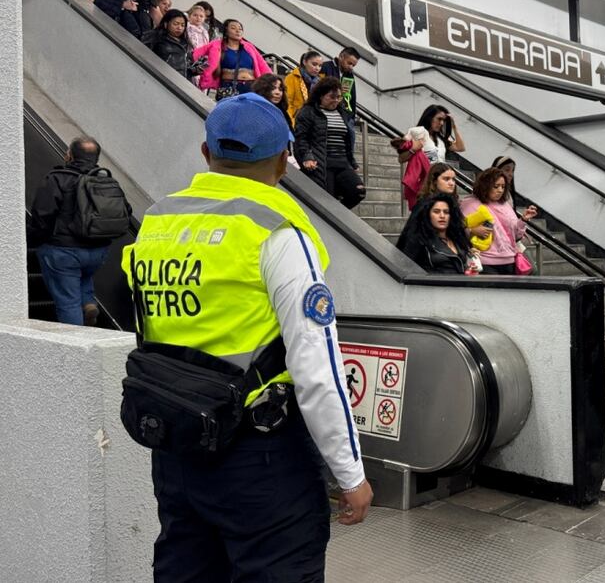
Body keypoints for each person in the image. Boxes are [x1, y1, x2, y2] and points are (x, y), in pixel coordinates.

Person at [120, 93, 373, 580]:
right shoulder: (277, 232)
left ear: (205, 153)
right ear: (285, 158)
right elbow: (317, 370)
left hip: (175, 445)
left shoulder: (157, 221)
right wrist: (351, 474)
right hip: (260, 458)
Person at [27, 137, 124, 326]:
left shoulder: (57, 178)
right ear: (96, 158)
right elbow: (124, 212)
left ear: (69, 155)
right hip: (98, 252)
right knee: (83, 274)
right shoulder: (106, 181)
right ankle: (87, 303)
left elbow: (43, 216)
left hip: (64, 252)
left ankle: (76, 340)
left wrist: (32, 241)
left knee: (67, 302)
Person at [293, 76, 365, 209]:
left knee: (358, 192)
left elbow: (347, 140)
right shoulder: (308, 112)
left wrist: (352, 162)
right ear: (321, 95)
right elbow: (301, 138)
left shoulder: (342, 113)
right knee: (326, 200)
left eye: (339, 97)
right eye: (332, 97)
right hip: (322, 163)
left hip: (343, 162)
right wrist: (307, 157)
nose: (336, 100)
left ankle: (339, 213)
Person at [459, 168, 536, 275]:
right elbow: (459, 231)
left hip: (510, 260)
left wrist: (523, 220)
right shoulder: (469, 204)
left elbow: (516, 235)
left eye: (503, 187)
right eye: (496, 186)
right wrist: (472, 231)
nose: (500, 190)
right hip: (485, 262)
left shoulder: (505, 205)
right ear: (485, 186)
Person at [192, 19, 272, 98]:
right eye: (233, 28)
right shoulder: (217, 45)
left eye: (240, 29)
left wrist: (272, 82)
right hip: (228, 87)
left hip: (250, 87)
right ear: (226, 31)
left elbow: (262, 65)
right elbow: (195, 54)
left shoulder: (249, 47)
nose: (238, 31)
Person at [396, 193, 472, 274]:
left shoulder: (458, 240)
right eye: (436, 212)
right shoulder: (420, 241)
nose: (442, 216)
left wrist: (469, 270)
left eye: (446, 212)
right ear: (428, 215)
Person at [144, 9, 206, 80]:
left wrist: (195, 70)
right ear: (166, 24)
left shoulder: (186, 43)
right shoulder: (155, 37)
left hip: (179, 82)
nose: (179, 28)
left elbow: (184, 69)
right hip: (158, 78)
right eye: (176, 24)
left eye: (182, 25)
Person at [284, 50, 323, 126]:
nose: (317, 68)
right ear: (305, 62)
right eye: (314, 64)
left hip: (312, 123)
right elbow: (287, 103)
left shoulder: (320, 82)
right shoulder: (292, 78)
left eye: (320, 66)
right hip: (295, 121)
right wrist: (292, 122)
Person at [319, 47, 361, 116]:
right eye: (349, 63)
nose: (351, 67)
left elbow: (353, 96)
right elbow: (318, 89)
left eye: (353, 65)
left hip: (343, 113)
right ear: (341, 57)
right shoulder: (325, 67)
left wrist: (352, 115)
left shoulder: (349, 75)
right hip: (325, 111)